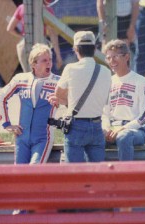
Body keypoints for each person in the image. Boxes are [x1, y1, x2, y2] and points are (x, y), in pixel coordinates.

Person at [48, 31, 112, 163]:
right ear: (94, 49)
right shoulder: (106, 71)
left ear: (76, 49)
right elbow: (104, 99)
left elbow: (58, 94)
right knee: (97, 173)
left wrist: (68, 102)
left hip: (76, 125)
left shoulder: (70, 69)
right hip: (97, 125)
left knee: (75, 174)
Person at [0, 43, 60, 165]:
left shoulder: (58, 82)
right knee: (19, 176)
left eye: (50, 60)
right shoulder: (21, 79)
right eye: (44, 60)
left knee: (33, 171)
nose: (49, 63)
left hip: (43, 138)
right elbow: (0, 97)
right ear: (34, 64)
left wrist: (62, 100)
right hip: (22, 138)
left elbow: (74, 102)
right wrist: (7, 124)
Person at [102, 39, 145, 161]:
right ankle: (96, 177)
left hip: (135, 131)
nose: (111, 61)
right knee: (93, 136)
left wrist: (123, 128)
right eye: (108, 58)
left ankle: (124, 178)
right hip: (113, 127)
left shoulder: (141, 81)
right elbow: (104, 113)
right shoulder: (107, 82)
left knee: (124, 137)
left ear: (127, 57)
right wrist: (106, 129)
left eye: (115, 56)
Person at [7, 1, 62, 74]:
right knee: (43, 75)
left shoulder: (22, 8)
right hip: (41, 44)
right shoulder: (47, 10)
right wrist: (58, 55)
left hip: (25, 44)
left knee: (28, 75)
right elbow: (53, 34)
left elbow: (9, 28)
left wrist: (23, 36)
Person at [96, 0, 139, 69]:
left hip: (125, 18)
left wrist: (132, 26)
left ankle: (122, 76)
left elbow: (136, 5)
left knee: (123, 49)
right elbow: (99, 3)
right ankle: (104, 72)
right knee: (106, 48)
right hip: (107, 17)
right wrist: (102, 22)